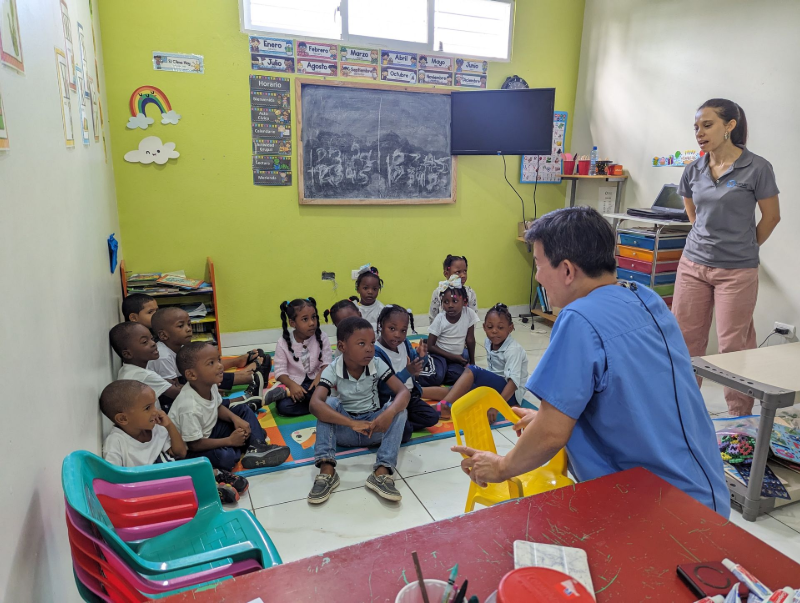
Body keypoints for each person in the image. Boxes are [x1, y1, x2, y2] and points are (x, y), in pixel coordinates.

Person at [453, 207, 729, 516]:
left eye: (539, 265)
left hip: (659, 508)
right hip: (706, 493)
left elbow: (551, 434)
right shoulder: (646, 299)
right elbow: (632, 397)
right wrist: (554, 419)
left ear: (568, 271)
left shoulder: (579, 319)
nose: (538, 277)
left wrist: (502, 466)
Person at [673, 98, 781, 416]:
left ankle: (740, 417)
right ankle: (683, 412)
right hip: (693, 264)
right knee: (685, 340)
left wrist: (744, 247)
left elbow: (771, 217)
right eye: (696, 127)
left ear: (729, 126)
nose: (700, 133)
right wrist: (707, 244)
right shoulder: (693, 169)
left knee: (733, 345)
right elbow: (692, 213)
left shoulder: (757, 167)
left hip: (737, 271)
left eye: (707, 125)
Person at [307, 317, 409, 504]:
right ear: (342, 346)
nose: (369, 348)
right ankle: (327, 470)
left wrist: (387, 414)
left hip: (373, 428)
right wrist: (352, 423)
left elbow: (403, 392)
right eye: (361, 343)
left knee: (400, 410)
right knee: (327, 403)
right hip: (345, 431)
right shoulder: (333, 368)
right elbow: (314, 404)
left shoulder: (377, 363)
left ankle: (382, 473)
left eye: (371, 342)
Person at [99, 380, 244, 503]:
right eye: (148, 408)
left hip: (170, 474)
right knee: (184, 478)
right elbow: (112, 481)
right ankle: (209, 491)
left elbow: (181, 452)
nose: (156, 411)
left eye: (154, 405)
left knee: (197, 464)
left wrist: (169, 425)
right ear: (123, 419)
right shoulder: (116, 442)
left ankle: (215, 475)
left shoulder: (154, 427)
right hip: (150, 489)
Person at [170, 342, 290, 472]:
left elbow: (218, 406)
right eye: (211, 363)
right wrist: (229, 441)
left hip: (211, 430)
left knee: (242, 410)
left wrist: (235, 419)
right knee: (226, 458)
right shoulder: (189, 407)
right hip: (193, 448)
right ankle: (251, 440)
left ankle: (256, 446)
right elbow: (195, 444)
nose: (220, 366)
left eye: (218, 360)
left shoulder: (210, 384)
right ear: (192, 375)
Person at [428, 303, 527, 423]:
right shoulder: (488, 342)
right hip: (494, 388)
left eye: (500, 328)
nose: (494, 331)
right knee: (458, 389)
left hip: (510, 395)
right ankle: (416, 391)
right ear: (484, 327)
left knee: (472, 370)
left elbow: (513, 383)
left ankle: (445, 407)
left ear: (510, 328)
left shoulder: (513, 350)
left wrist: (496, 406)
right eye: (490, 327)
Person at [374, 305, 439, 442]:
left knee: (432, 417)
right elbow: (384, 388)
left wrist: (422, 356)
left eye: (403, 330)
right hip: (390, 401)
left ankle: (401, 423)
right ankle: (400, 424)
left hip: (409, 397)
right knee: (406, 432)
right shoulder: (377, 353)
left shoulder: (404, 343)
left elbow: (417, 364)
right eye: (392, 328)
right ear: (380, 326)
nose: (397, 334)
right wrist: (407, 371)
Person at [417, 276, 479, 390]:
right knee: (437, 377)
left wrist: (472, 363)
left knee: (464, 377)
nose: (450, 305)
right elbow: (431, 346)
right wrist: (453, 357)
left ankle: (436, 370)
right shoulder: (440, 319)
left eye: (455, 301)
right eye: (446, 302)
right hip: (438, 355)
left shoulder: (469, 314)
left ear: (464, 301)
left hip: (455, 359)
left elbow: (470, 339)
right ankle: (414, 374)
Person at [274, 297, 332, 417]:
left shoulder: (322, 336)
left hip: (316, 380)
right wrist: (291, 385)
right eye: (305, 319)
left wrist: (319, 378)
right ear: (292, 323)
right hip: (295, 383)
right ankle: (318, 406)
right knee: (284, 407)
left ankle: (316, 404)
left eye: (314, 317)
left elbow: (327, 363)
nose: (311, 323)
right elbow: (280, 371)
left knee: (327, 392)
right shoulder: (283, 342)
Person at [109, 322, 183, 409]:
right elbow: (178, 394)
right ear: (128, 354)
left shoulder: (126, 369)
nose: (153, 343)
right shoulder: (145, 375)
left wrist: (163, 380)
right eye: (144, 342)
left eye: (152, 338)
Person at [147, 307, 194, 381]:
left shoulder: (182, 347)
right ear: (163, 335)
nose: (189, 329)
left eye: (189, 324)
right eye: (180, 326)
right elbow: (174, 387)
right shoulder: (163, 356)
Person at [429, 255, 478, 322]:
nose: (463, 275)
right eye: (458, 272)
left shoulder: (470, 293)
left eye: (465, 271)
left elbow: (473, 317)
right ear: (446, 273)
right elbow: (433, 316)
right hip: (443, 331)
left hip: (464, 331)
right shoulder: (439, 292)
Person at [349, 265, 385, 330]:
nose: (370, 292)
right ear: (357, 289)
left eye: (374, 289)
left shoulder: (381, 310)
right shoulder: (353, 308)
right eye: (365, 288)